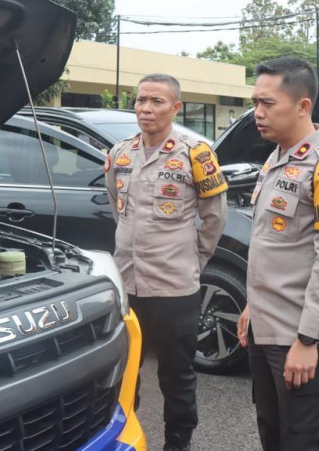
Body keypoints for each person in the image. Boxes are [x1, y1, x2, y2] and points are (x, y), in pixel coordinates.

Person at [235, 57, 319, 450]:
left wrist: (308, 341)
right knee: (271, 430)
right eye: (255, 102)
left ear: (303, 106)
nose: (257, 113)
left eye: (268, 103)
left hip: (301, 332)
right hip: (265, 324)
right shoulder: (277, 157)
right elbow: (274, 247)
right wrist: (251, 305)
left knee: (303, 440)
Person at [104, 73, 228, 451]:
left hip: (175, 286)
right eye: (141, 100)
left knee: (176, 376)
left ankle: (178, 442)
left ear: (176, 107)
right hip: (128, 285)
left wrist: (194, 259)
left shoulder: (196, 153)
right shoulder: (120, 152)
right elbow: (117, 207)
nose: (145, 108)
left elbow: (214, 218)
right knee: (125, 374)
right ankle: (126, 437)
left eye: (157, 101)